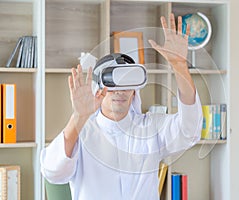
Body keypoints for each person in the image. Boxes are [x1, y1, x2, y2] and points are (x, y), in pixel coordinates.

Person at [40, 13, 203, 200]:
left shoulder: (151, 128)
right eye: (113, 83)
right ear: (98, 89)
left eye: (127, 83)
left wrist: (179, 65)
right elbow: (53, 172)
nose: (120, 90)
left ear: (135, 90)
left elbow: (189, 130)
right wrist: (78, 117)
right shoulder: (82, 134)